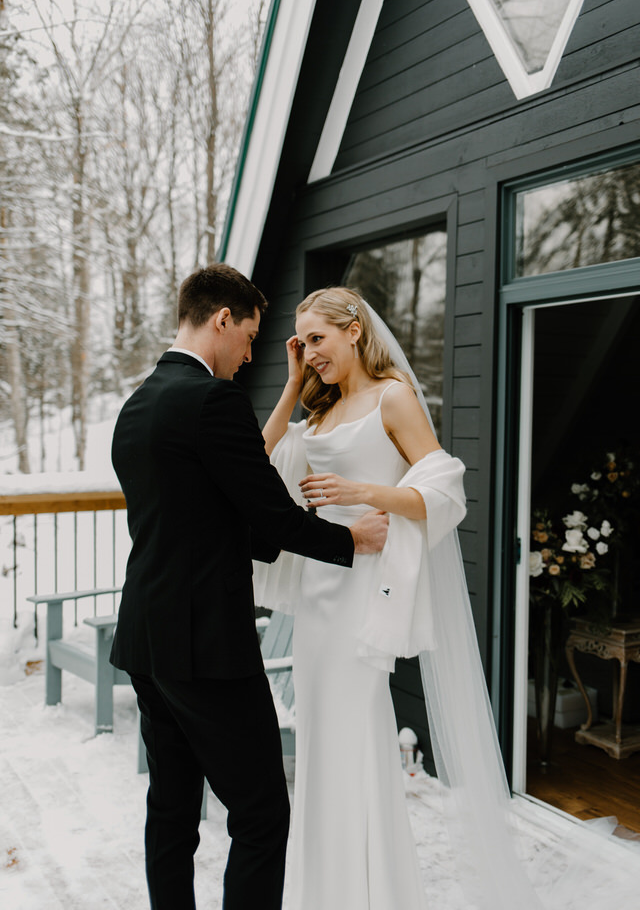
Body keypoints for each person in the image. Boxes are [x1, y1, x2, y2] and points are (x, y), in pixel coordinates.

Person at [109, 266, 388, 910]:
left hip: (148, 640)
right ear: (222, 320)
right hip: (206, 647)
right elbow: (269, 513)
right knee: (262, 814)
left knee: (172, 807)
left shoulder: (140, 402)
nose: (249, 355)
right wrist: (352, 541)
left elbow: (223, 500)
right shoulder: (213, 400)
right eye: (252, 337)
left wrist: (290, 392)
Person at [255, 286, 468, 910]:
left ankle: (369, 893)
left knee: (355, 737)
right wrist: (294, 384)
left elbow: (444, 490)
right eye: (303, 344)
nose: (312, 352)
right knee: (323, 739)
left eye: (317, 339)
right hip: (319, 599)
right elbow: (257, 460)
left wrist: (365, 491)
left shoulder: (391, 397)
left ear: (354, 329)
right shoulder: (318, 415)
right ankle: (325, 889)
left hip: (363, 594)